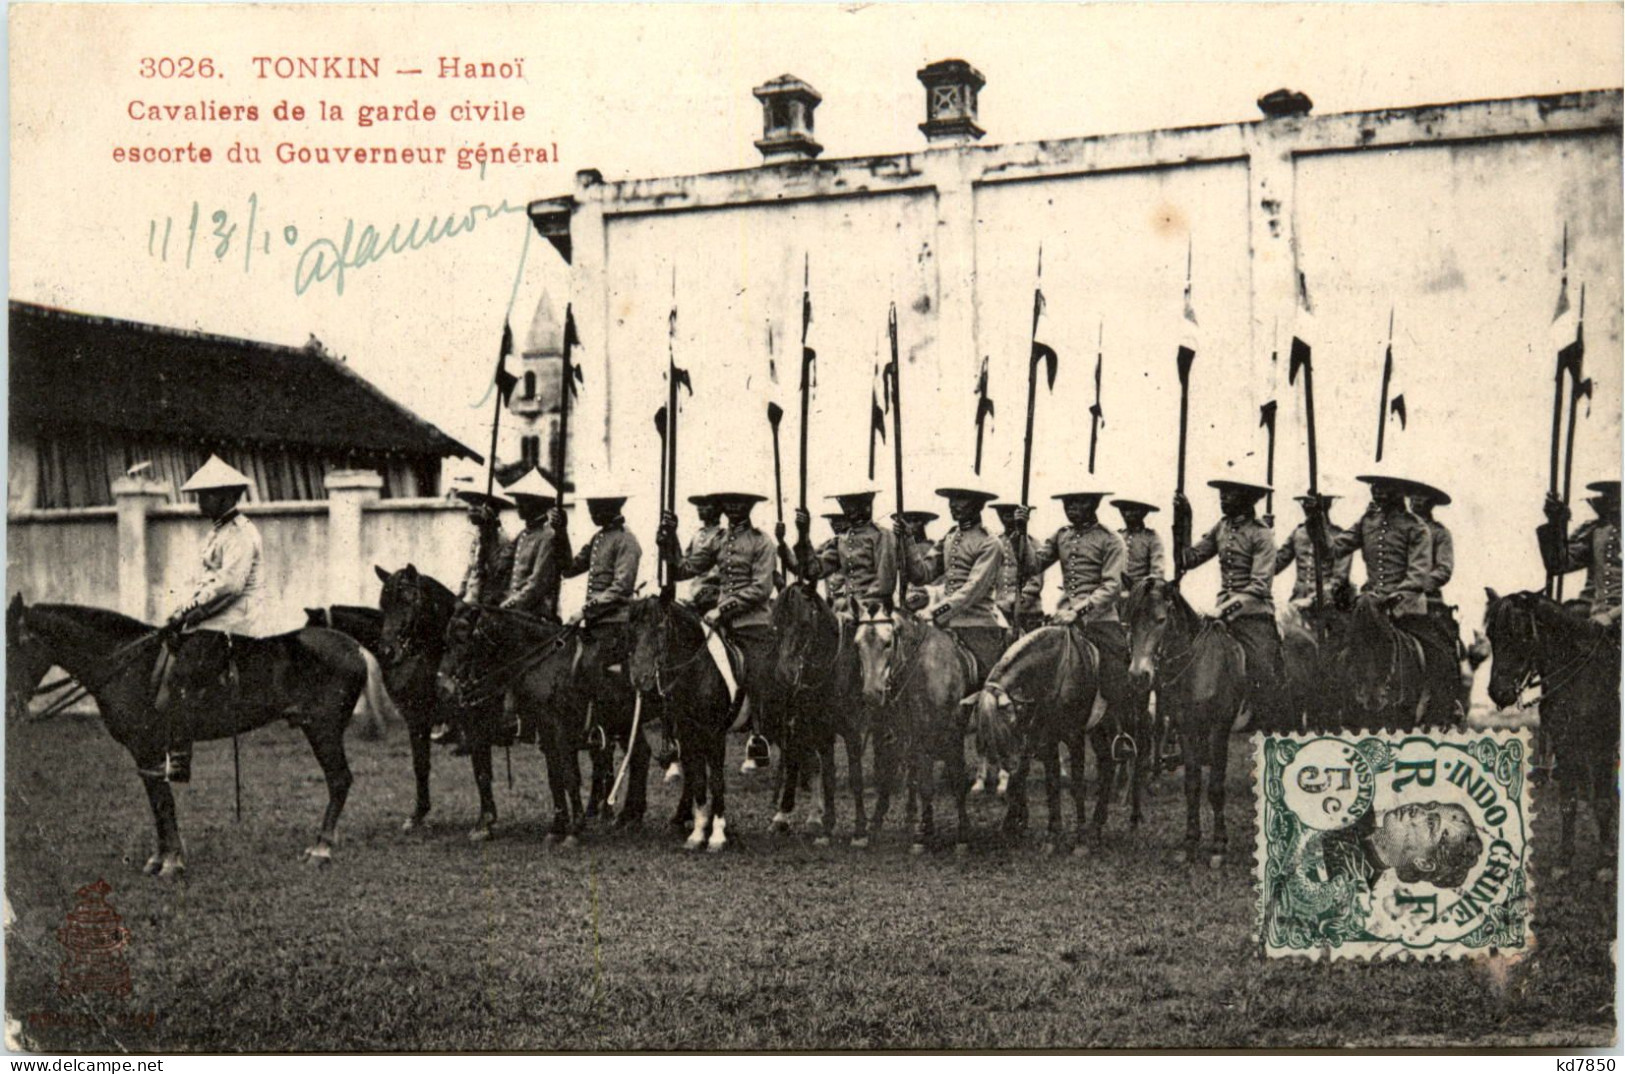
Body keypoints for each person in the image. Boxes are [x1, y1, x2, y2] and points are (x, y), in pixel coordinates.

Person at [159, 456, 268, 782]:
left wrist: (186, 614)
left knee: (182, 675)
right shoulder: (220, 532)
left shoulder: (240, 533)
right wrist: (183, 614)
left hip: (232, 623)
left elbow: (228, 587)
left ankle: (179, 757)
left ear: (225, 496)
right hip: (212, 620)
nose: (199, 501)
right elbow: (207, 586)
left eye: (205, 495)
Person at [1315, 474, 1453, 725]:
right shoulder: (1367, 522)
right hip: (1368, 606)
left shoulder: (1417, 527)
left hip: (1406, 609)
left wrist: (1394, 599)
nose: (1378, 492)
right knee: (1334, 651)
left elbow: (1418, 573)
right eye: (1374, 487)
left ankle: (1442, 713)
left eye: (1385, 487)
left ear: (1400, 491)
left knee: (1441, 656)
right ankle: (1329, 711)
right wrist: (1315, 519)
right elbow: (1333, 548)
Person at [661, 491, 780, 769]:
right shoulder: (719, 540)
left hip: (752, 624)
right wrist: (671, 538)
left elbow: (761, 588)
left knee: (757, 672)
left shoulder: (762, 541)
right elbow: (684, 569)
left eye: (740, 502)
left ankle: (759, 735)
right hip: (720, 623)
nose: (733, 507)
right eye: (729, 502)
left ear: (750, 506)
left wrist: (723, 608)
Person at [1173, 478, 1288, 732]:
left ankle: (1267, 724)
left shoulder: (1261, 534)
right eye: (1222, 494)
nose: (1223, 498)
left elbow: (1260, 587)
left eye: (1230, 494)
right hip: (1221, 615)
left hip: (1253, 615)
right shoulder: (1222, 528)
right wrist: (1184, 521)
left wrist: (1224, 609)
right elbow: (1188, 560)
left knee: (1263, 671)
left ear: (1247, 498)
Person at [1025, 490, 1130, 721]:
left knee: (1116, 673)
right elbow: (1032, 565)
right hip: (1062, 618)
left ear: (1094, 504)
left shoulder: (1111, 539)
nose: (1070, 507)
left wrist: (1078, 611)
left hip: (1099, 620)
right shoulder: (1061, 535)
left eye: (1078, 502)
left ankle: (1119, 732)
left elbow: (1112, 586)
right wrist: (1019, 533)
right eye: (1067, 502)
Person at [895, 486, 1007, 681]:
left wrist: (936, 611)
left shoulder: (990, 543)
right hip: (944, 626)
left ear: (978, 504)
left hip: (977, 627)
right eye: (951, 500)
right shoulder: (950, 537)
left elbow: (973, 590)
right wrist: (907, 540)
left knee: (987, 689)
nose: (953, 505)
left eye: (960, 499)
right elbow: (923, 574)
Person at [559, 492, 642, 744]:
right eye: (591, 509)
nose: (593, 514)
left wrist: (584, 611)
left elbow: (621, 588)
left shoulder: (627, 541)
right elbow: (569, 568)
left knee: (592, 667)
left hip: (615, 623)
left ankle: (600, 725)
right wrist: (561, 531)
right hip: (595, 624)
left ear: (612, 508)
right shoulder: (598, 538)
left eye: (597, 509)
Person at [1409, 482, 1468, 719]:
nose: (1415, 500)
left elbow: (1444, 570)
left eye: (1421, 496)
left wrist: (1416, 585)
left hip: (1429, 603)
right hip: (1392, 601)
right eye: (1413, 495)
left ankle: (1448, 704)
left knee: (1445, 650)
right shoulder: (1397, 528)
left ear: (1431, 501)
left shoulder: (1440, 533)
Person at [790, 490, 898, 618]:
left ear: (865, 504)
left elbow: (884, 583)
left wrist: (859, 609)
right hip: (848, 612)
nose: (847, 508)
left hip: (876, 613)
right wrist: (804, 534)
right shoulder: (842, 539)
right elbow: (815, 571)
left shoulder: (882, 536)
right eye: (844, 503)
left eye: (851, 503)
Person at [1540, 479, 1622, 632]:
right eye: (1608, 498)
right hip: (1598, 620)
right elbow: (1558, 565)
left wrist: (1612, 615)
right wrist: (1556, 524)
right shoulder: (1598, 532)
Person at [498, 468, 567, 620]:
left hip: (536, 615)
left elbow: (537, 584)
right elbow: (500, 564)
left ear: (538, 503)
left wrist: (508, 605)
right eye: (518, 500)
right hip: (516, 611)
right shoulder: (523, 535)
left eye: (524, 501)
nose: (518, 505)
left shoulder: (547, 537)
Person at [1273, 493, 1353, 610]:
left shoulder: (1340, 536)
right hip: (1298, 599)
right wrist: (1268, 537)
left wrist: (1313, 599)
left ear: (1327, 505)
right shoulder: (1298, 533)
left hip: (1327, 603)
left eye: (1314, 503)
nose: (1308, 506)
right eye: (1306, 502)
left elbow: (1339, 579)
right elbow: (1275, 566)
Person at [991, 502, 1044, 634]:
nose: (1006, 516)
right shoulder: (994, 544)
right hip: (1000, 612)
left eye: (1011, 512)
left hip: (1027, 614)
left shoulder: (1033, 544)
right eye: (1002, 512)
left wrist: (1014, 602)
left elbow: (1035, 583)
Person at [1111, 497, 1166, 595]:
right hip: (1114, 592)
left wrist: (1144, 586)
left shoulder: (1151, 538)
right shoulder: (1115, 536)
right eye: (1124, 509)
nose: (1128, 514)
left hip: (1142, 593)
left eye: (1133, 509)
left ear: (1144, 512)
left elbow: (1157, 571)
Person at [681, 494, 726, 615]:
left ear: (718, 509)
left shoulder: (721, 535)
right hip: (695, 591)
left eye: (705, 505)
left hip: (713, 593)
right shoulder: (697, 535)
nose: (700, 508)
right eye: (699, 505)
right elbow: (684, 562)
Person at [900, 510, 939, 613]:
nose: (910, 525)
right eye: (907, 521)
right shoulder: (898, 548)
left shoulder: (932, 548)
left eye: (914, 521)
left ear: (922, 523)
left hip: (926, 599)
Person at [817, 511, 851, 606]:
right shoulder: (830, 544)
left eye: (839, 520)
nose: (835, 525)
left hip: (849, 601)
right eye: (832, 521)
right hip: (832, 601)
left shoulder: (857, 543)